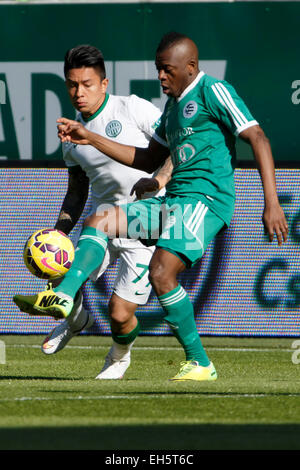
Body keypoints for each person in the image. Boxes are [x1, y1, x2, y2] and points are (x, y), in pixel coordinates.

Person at [14, 32, 288, 382]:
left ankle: (200, 362)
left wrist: (272, 201)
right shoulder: (172, 109)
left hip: (205, 200)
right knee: (100, 220)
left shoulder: (212, 91)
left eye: (167, 69)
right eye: (159, 69)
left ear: (190, 67)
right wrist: (94, 139)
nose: (161, 76)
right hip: (174, 202)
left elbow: (258, 137)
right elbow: (148, 158)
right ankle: (65, 297)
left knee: (161, 273)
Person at [20, 44, 173, 380]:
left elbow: (178, 143)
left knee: (120, 315)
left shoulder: (132, 108)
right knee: (58, 270)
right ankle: (77, 320)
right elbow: (77, 192)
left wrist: (159, 180)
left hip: (145, 224)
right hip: (100, 223)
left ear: (104, 84)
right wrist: (58, 235)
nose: (79, 92)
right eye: (73, 85)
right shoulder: (70, 136)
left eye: (87, 84)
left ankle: (119, 355)